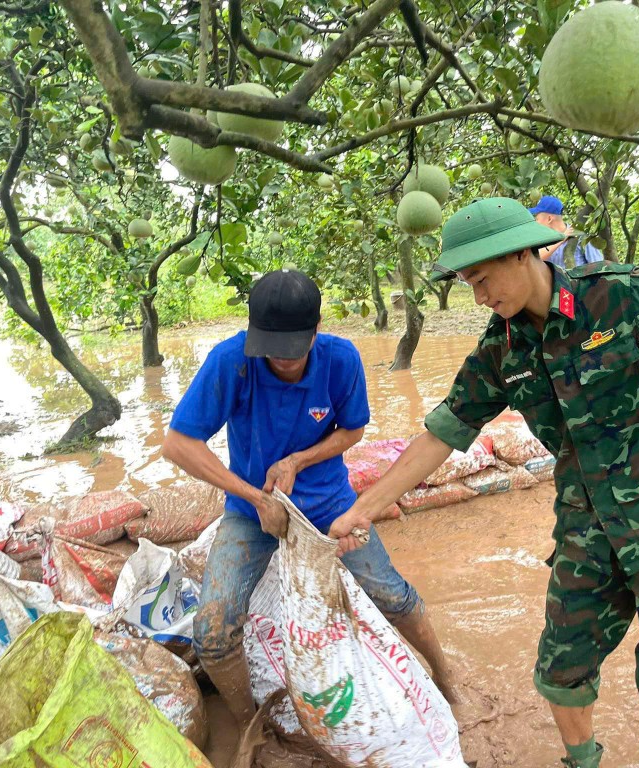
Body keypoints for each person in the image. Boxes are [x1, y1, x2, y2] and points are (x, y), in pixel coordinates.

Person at [327, 198, 639, 768]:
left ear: (524, 253)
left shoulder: (622, 294)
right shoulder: (501, 348)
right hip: (588, 530)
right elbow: (442, 434)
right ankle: (582, 761)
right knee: (561, 668)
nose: (480, 297)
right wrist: (364, 508)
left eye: (484, 279)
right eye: (469, 284)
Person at [161, 269, 457, 737]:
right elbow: (178, 444)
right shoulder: (231, 362)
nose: (281, 360)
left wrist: (298, 460)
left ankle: (445, 677)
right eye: (270, 349)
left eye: (292, 349)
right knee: (213, 634)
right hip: (251, 512)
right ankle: (250, 725)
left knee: (391, 596)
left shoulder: (341, 360)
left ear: (316, 331)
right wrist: (256, 496)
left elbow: (353, 430)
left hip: (329, 505)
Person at [530, 195, 603, 269]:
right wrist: (562, 238)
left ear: (549, 219)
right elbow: (537, 259)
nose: (536, 223)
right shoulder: (543, 241)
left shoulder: (581, 237)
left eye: (537, 219)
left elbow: (599, 268)